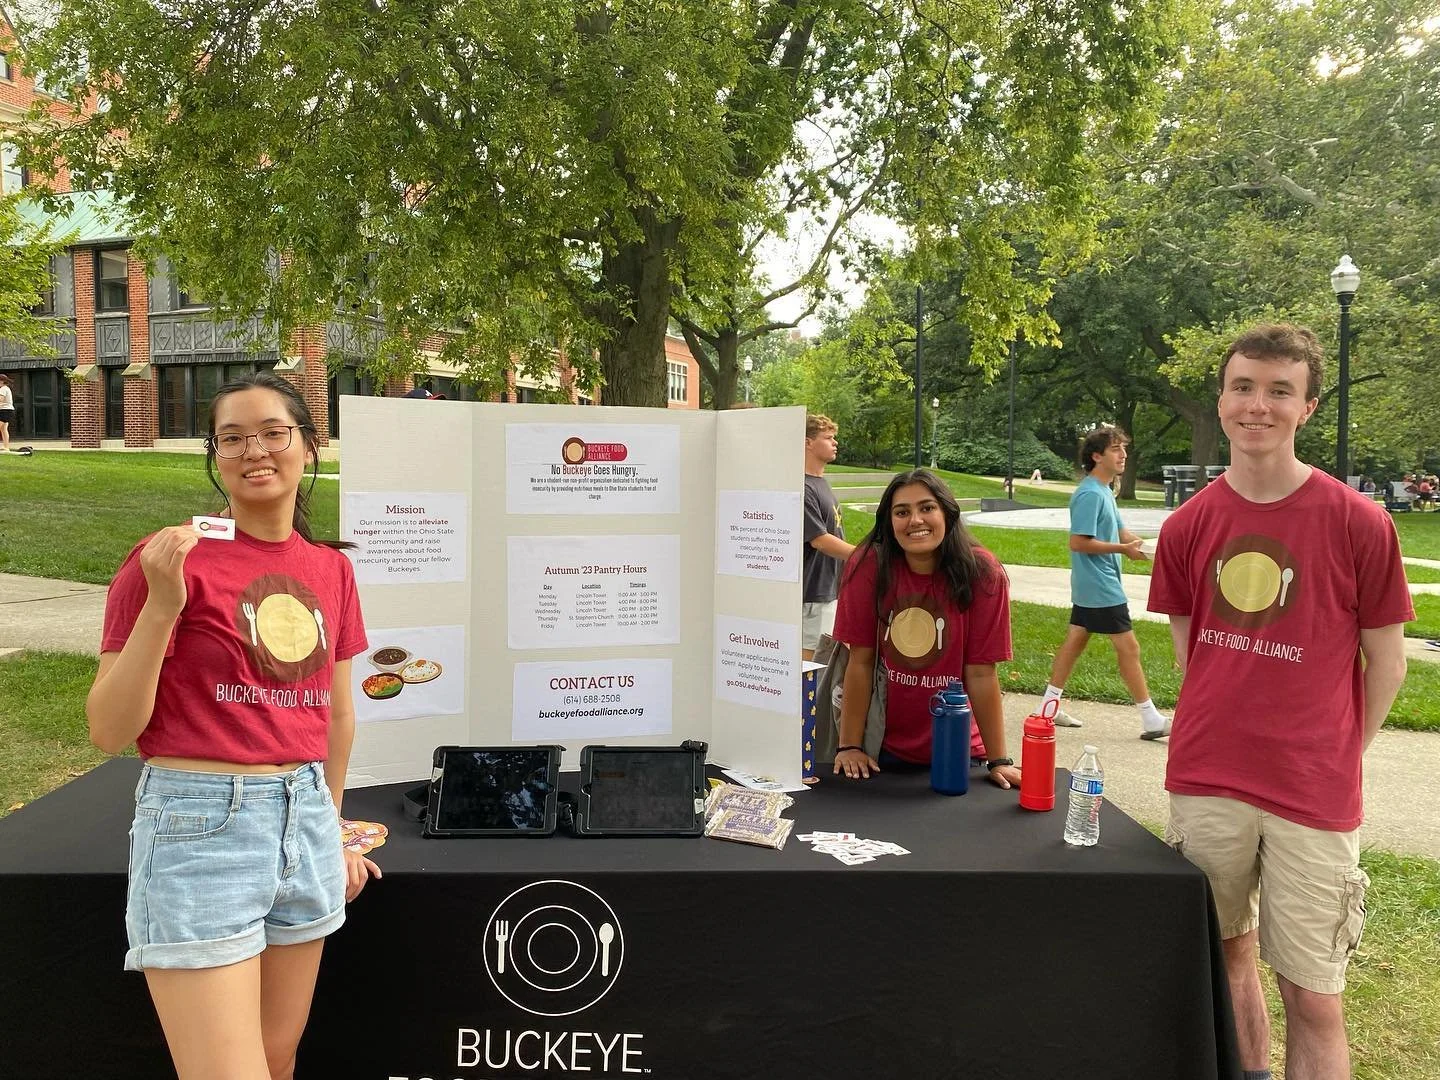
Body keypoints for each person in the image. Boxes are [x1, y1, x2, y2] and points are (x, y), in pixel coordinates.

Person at [88, 371, 381, 1080]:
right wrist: (163, 604)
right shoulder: (165, 558)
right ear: (214, 457)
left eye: (273, 433)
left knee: (277, 1062)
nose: (256, 450)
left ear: (308, 447)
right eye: (232, 437)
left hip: (303, 819)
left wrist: (330, 829)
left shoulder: (330, 570)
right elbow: (108, 727)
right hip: (200, 826)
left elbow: (336, 715)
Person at [1148, 323, 1411, 1080]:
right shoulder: (1188, 525)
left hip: (1311, 791)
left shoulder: (1359, 521)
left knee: (1315, 994)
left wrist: (1338, 754)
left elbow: (1386, 664)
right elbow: (1191, 655)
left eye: (1278, 391)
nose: (1256, 405)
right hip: (1207, 780)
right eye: (1243, 387)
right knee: (1224, 957)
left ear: (1308, 407)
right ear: (1223, 397)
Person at [831, 468, 1022, 789]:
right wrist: (849, 746)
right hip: (881, 750)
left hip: (960, 751)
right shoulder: (868, 565)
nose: (915, 520)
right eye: (902, 512)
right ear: (889, 523)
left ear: (947, 513)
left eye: (927, 508)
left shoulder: (983, 572)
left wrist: (998, 759)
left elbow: (981, 673)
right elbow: (860, 661)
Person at [1040, 424, 1171, 740]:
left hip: (1095, 582)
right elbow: (1079, 542)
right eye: (1116, 449)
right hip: (1099, 584)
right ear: (1097, 456)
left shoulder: (1104, 491)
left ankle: (1048, 706)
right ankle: (1150, 718)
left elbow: (1121, 532)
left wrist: (1141, 545)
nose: (1123, 454)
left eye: (1124, 448)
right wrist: (1122, 549)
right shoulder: (1089, 494)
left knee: (1076, 640)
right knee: (1129, 647)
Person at [801, 413, 855, 660]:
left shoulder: (821, 483)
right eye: (828, 437)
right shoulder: (802, 487)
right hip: (812, 594)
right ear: (808, 442)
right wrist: (864, 554)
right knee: (810, 665)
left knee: (825, 662)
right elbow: (819, 540)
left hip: (830, 589)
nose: (835, 443)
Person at [0, 373, 14, 452]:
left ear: (2, 381)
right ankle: (6, 447)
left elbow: (1, 399)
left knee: (3, 429)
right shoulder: (6, 388)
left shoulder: (3, 389)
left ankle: (6, 447)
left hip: (4, 411)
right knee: (4, 429)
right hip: (8, 411)